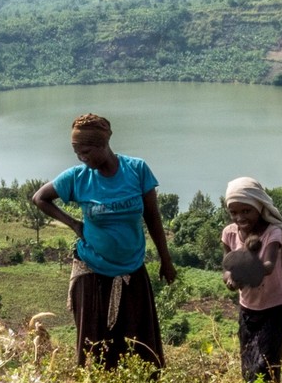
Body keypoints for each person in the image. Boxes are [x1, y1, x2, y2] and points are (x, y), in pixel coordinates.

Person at [32, 113, 177, 369]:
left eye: (86, 151)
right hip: (92, 270)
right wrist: (74, 224)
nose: (81, 157)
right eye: (76, 152)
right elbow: (40, 198)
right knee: (95, 346)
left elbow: (153, 217)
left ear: (103, 145)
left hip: (132, 268)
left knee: (139, 342)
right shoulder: (77, 177)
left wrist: (166, 260)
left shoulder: (136, 170)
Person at [221, 177, 282, 383]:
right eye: (234, 212)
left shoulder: (273, 232)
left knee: (267, 362)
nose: (240, 217)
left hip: (274, 308)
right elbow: (227, 266)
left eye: (246, 211)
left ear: (259, 207)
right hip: (247, 308)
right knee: (248, 360)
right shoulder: (229, 233)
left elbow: (269, 265)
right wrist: (230, 279)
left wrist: (246, 271)